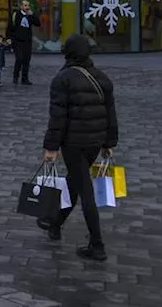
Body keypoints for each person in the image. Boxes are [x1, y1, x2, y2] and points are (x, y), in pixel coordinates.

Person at [39, 35, 118, 261]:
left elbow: (58, 118)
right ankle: (55, 224)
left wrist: (51, 147)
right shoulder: (102, 78)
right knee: (74, 183)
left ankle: (97, 244)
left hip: (73, 144)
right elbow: (111, 115)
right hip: (94, 142)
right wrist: (108, 143)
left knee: (85, 191)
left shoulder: (63, 79)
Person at [6, 0, 40, 85]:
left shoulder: (30, 16)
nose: (27, 7)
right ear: (21, 6)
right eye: (25, 5)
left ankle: (25, 78)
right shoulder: (15, 15)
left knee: (26, 60)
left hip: (27, 41)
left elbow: (38, 23)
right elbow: (10, 27)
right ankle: (15, 76)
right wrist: (9, 38)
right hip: (17, 41)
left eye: (28, 5)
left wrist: (33, 15)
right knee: (19, 58)